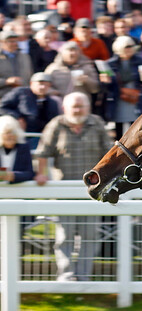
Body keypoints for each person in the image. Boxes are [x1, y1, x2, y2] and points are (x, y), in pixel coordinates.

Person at [34, 92, 112, 281]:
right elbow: (42, 152)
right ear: (65, 108)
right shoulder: (56, 124)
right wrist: (41, 173)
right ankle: (66, 276)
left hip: (92, 192)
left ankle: (84, 276)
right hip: (63, 191)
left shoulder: (97, 124)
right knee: (64, 236)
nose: (77, 110)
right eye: (73, 106)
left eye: (81, 106)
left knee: (90, 236)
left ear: (88, 107)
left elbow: (109, 154)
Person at [0, 72, 61, 148]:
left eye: (46, 84)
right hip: (18, 135)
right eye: (40, 83)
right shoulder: (20, 93)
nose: (43, 87)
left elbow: (54, 120)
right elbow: (2, 107)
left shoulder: (52, 102)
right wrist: (17, 117)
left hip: (40, 137)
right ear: (31, 83)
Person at [0, 115, 34, 184]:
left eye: (13, 132)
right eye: (7, 133)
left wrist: (13, 176)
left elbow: (29, 174)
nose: (10, 135)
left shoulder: (24, 148)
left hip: (18, 190)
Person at [0, 29, 33, 99]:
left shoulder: (25, 57)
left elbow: (30, 76)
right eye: (11, 41)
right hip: (3, 95)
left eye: (16, 41)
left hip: (23, 95)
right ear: (2, 42)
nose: (15, 43)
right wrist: (6, 81)